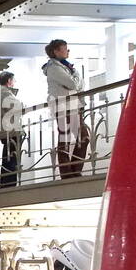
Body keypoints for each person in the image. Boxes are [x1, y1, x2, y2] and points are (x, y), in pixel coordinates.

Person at [43, 39, 88, 179]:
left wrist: (75, 78)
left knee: (83, 137)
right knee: (65, 138)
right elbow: (73, 84)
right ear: (56, 51)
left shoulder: (66, 67)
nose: (67, 51)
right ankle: (67, 173)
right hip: (64, 106)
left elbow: (78, 84)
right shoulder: (54, 68)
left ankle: (74, 170)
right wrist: (76, 74)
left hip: (74, 105)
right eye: (65, 48)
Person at [0, 71, 23, 188]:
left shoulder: (0, 93)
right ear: (9, 81)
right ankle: (9, 185)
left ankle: (7, 184)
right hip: (11, 130)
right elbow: (16, 108)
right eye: (14, 80)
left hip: (5, 130)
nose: (15, 82)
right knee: (11, 159)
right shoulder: (5, 94)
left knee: (9, 158)